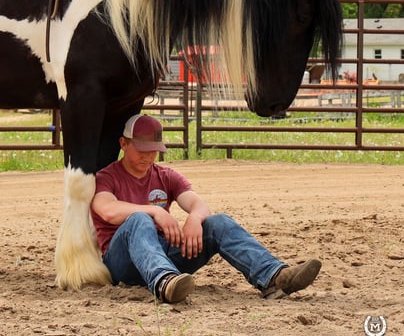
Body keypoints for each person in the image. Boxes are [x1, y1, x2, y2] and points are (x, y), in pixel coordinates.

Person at [90, 114, 322, 304]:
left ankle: (274, 277)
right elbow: (107, 209)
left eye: (153, 150)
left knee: (217, 222)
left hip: (163, 254)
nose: (148, 156)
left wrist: (195, 217)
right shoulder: (107, 177)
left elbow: (198, 203)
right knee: (139, 219)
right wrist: (155, 211)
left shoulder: (165, 175)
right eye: (142, 149)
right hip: (124, 263)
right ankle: (164, 283)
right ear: (123, 143)